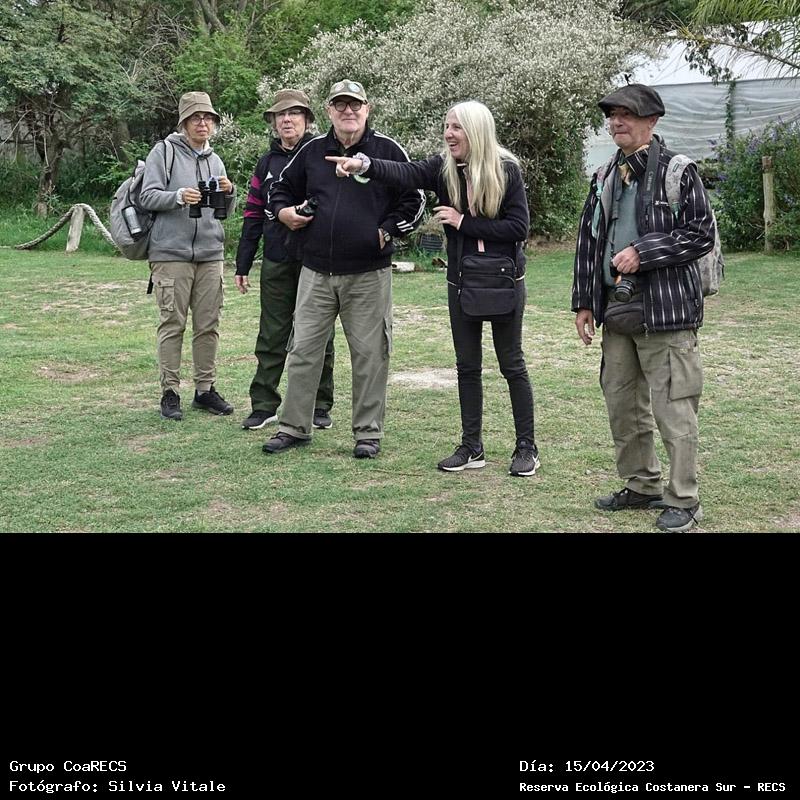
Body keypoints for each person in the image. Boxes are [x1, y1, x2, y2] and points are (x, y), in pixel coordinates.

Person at [327, 100, 538, 477]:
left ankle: (526, 448)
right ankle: (471, 447)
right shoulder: (444, 169)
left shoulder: (506, 169)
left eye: (456, 127)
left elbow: (518, 228)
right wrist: (364, 165)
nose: (448, 133)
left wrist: (462, 221)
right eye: (447, 126)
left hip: (503, 282)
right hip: (461, 282)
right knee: (467, 366)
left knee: (512, 364)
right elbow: (404, 173)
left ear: (476, 131)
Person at [572, 83, 716, 532]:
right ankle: (641, 485)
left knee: (674, 409)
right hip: (617, 313)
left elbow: (700, 233)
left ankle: (684, 499)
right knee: (623, 406)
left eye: (627, 114)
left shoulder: (678, 171)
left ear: (652, 121)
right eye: (612, 115)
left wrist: (643, 251)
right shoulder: (603, 175)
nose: (616, 122)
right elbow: (589, 243)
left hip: (667, 312)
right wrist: (584, 302)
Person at [262, 79, 425, 459]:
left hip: (368, 273)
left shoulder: (387, 151)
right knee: (303, 351)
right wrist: (285, 213)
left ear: (367, 109)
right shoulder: (311, 151)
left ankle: (367, 433)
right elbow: (279, 190)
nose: (348, 111)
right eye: (340, 105)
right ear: (329, 111)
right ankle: (294, 427)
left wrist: (386, 232)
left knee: (370, 355)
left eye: (355, 105)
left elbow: (415, 199)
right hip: (315, 271)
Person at [234, 89, 335, 432]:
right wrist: (243, 263)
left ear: (307, 119)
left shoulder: (323, 155)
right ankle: (264, 405)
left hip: (317, 261)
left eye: (294, 113)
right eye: (280, 115)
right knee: (271, 334)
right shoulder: (266, 163)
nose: (287, 120)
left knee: (319, 335)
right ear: (274, 123)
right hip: (276, 259)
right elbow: (252, 214)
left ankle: (320, 405)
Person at [140, 91, 236, 421]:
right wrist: (179, 196)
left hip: (210, 252)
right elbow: (147, 196)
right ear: (183, 123)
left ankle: (205, 390)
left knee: (208, 325)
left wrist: (229, 193)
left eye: (208, 117)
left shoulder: (215, 160)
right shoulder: (164, 152)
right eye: (195, 117)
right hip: (170, 253)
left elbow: (224, 213)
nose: (202, 122)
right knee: (173, 323)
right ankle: (170, 392)